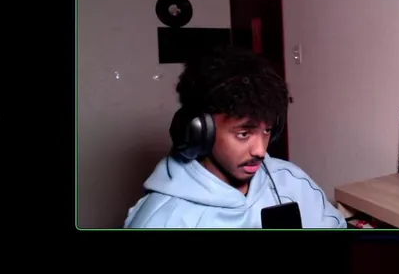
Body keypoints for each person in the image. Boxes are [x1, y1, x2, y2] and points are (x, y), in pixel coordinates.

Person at [124, 46, 346, 228]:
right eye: (244, 133)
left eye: (267, 130)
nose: (260, 151)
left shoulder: (292, 182)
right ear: (200, 131)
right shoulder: (163, 220)